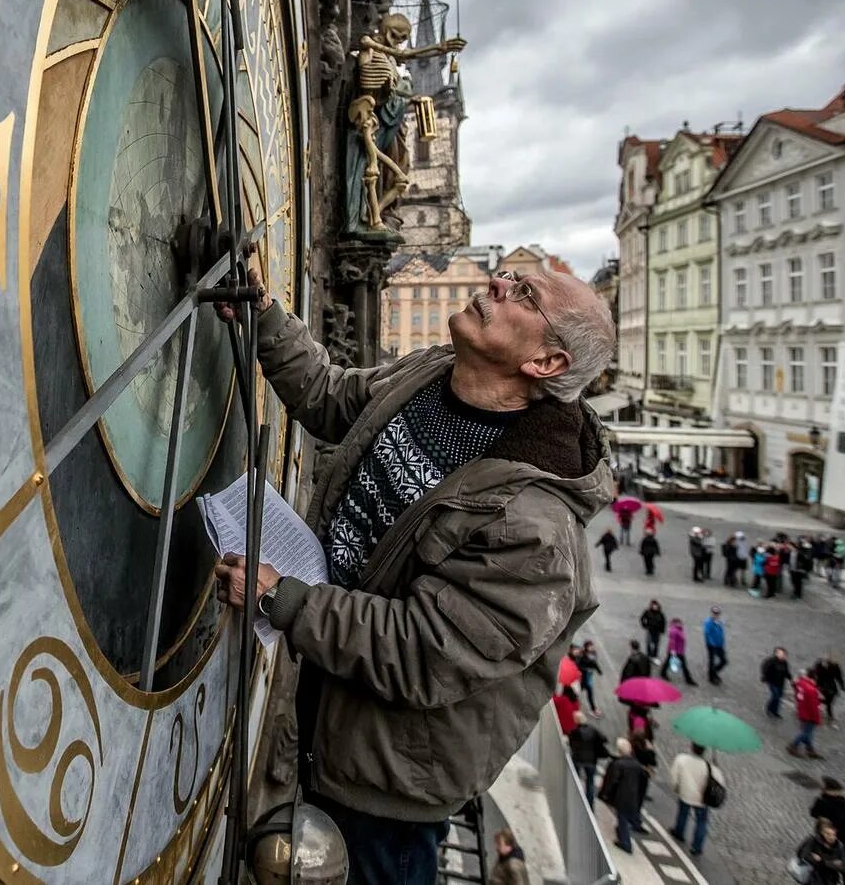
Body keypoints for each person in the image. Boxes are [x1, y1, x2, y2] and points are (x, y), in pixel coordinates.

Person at [212, 263, 615, 884]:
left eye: (525, 295)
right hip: (332, 706)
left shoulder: (535, 524)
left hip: (390, 780)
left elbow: (424, 650)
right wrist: (264, 314)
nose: (498, 284)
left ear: (547, 364)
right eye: (508, 273)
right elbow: (332, 397)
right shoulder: (435, 375)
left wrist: (283, 600)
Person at [668, 743, 722, 857]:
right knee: (701, 822)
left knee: (683, 813)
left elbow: (674, 777)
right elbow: (719, 782)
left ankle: (679, 832)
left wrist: (676, 788)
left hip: (686, 794)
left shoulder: (682, 759)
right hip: (702, 798)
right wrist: (716, 767)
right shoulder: (709, 766)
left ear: (692, 747)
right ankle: (697, 847)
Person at [598, 737, 648, 854]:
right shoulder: (637, 765)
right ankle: (623, 831)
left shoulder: (618, 764)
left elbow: (612, 781)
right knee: (624, 816)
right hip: (633, 796)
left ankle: (626, 843)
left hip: (621, 795)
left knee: (622, 817)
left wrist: (605, 793)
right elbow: (643, 782)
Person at [808, 778, 845, 885]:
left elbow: (813, 813)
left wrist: (818, 801)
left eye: (823, 786)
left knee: (825, 862)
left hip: (828, 837)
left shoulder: (822, 801)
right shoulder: (841, 800)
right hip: (843, 837)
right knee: (843, 865)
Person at [567, 711, 610, 807]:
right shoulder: (593, 730)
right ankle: (589, 804)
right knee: (590, 783)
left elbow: (571, 744)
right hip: (591, 760)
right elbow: (604, 739)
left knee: (576, 781)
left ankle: (575, 800)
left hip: (578, 759)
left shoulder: (574, 732)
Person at [796, 817, 845, 885]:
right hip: (812, 879)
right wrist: (833, 863)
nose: (832, 838)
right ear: (822, 832)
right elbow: (802, 854)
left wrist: (822, 861)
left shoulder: (839, 846)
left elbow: (844, 868)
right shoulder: (813, 840)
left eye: (834, 834)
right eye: (828, 834)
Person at [788, 668, 824, 759]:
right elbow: (813, 708)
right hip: (809, 715)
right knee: (806, 733)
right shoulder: (812, 690)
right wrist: (817, 719)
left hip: (802, 711)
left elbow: (795, 685)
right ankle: (793, 746)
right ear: (814, 678)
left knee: (809, 732)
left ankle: (810, 749)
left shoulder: (802, 683)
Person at [812, 655, 845, 727]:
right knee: (820, 697)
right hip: (821, 684)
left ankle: (828, 710)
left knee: (830, 700)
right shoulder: (819, 664)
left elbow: (839, 676)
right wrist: (814, 682)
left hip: (830, 684)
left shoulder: (835, 666)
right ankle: (818, 710)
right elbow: (814, 673)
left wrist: (842, 685)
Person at [661, 617, 697, 685]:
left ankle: (663, 673)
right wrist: (673, 651)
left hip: (678, 650)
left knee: (668, 662)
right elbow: (672, 642)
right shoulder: (674, 631)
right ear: (675, 623)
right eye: (678, 623)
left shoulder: (679, 629)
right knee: (684, 665)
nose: (680, 624)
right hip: (676, 651)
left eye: (680, 622)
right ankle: (688, 679)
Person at [761, 647, 792, 719]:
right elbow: (765, 669)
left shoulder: (785, 663)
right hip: (772, 682)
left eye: (784, 654)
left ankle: (775, 712)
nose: (783, 656)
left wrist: (790, 678)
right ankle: (769, 708)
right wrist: (765, 678)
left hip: (781, 683)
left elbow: (786, 672)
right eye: (781, 654)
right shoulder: (771, 661)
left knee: (779, 698)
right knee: (776, 696)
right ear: (776, 654)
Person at [703, 607, 727, 685]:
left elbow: (721, 632)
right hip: (712, 645)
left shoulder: (719, 622)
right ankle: (711, 677)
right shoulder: (708, 622)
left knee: (724, 661)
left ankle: (714, 672)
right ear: (711, 613)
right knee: (712, 661)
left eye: (717, 613)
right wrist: (712, 643)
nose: (715, 615)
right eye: (714, 613)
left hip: (719, 645)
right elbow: (707, 633)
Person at [579, 640, 603, 715]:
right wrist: (587, 669)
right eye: (590, 646)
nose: (592, 647)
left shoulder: (594, 653)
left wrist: (599, 670)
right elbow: (578, 665)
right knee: (581, 690)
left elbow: (594, 663)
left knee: (589, 692)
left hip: (588, 677)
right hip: (582, 676)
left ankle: (593, 709)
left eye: (592, 646)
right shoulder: (582, 654)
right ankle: (593, 709)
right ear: (586, 647)